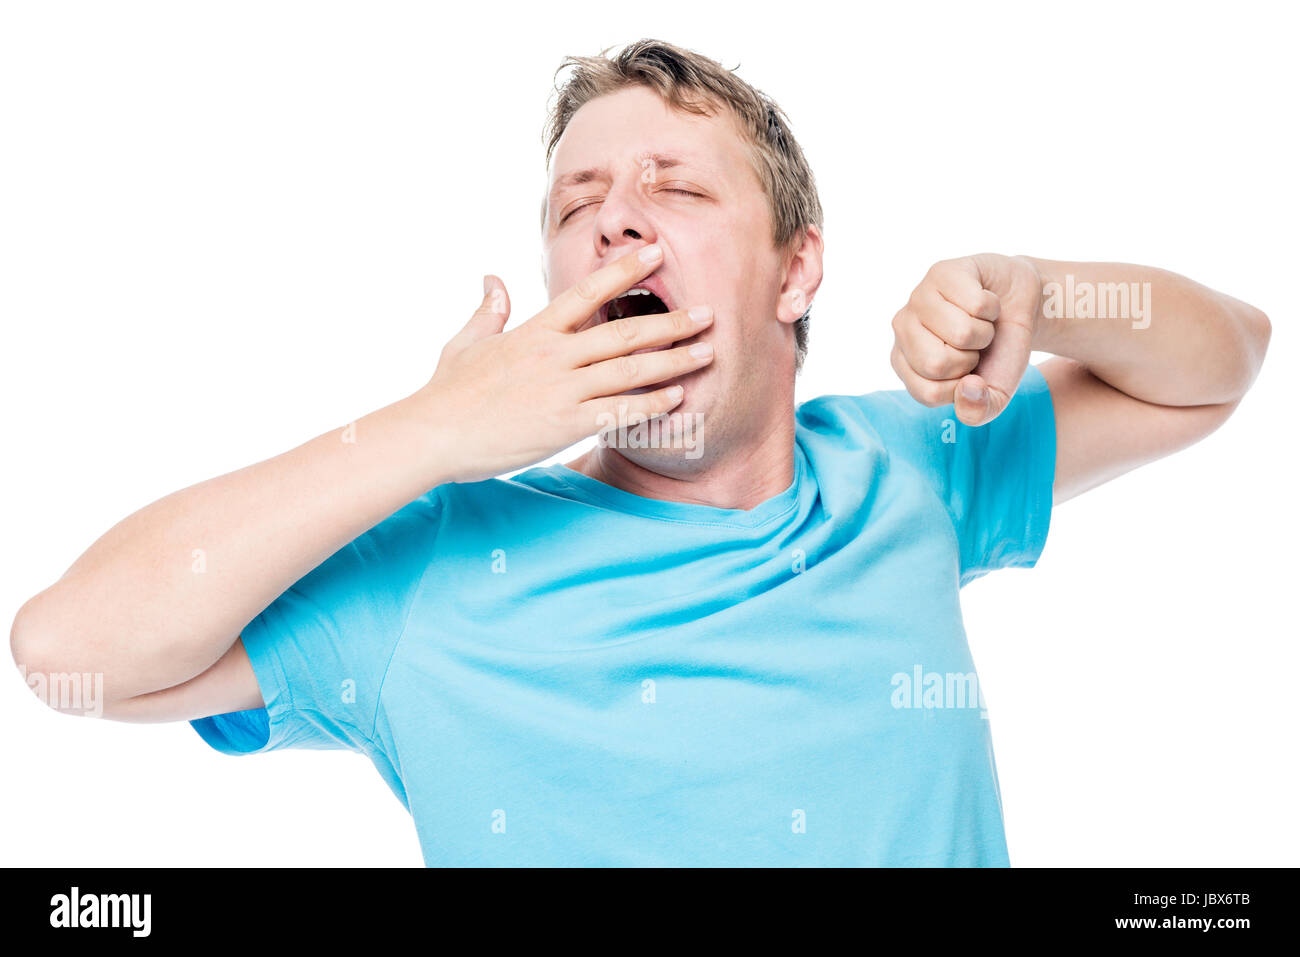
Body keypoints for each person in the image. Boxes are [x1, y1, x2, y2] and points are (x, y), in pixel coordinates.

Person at [10, 39, 1270, 866]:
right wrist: (431, 432)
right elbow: (70, 655)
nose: (614, 217)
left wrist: (1047, 295)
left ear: (797, 269)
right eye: (578, 204)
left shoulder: (908, 468)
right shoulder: (439, 565)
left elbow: (1221, 364)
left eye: (675, 186)